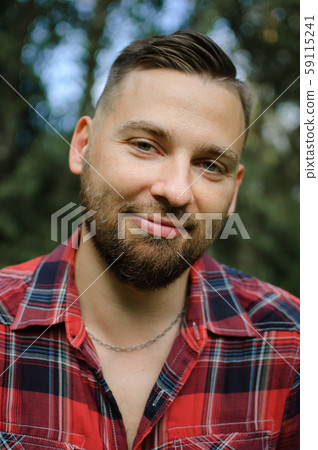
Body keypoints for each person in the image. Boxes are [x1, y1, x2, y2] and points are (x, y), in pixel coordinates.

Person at [0, 30, 299, 450]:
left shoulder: (293, 344)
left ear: (233, 191)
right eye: (145, 145)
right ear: (82, 146)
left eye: (210, 164)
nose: (177, 191)